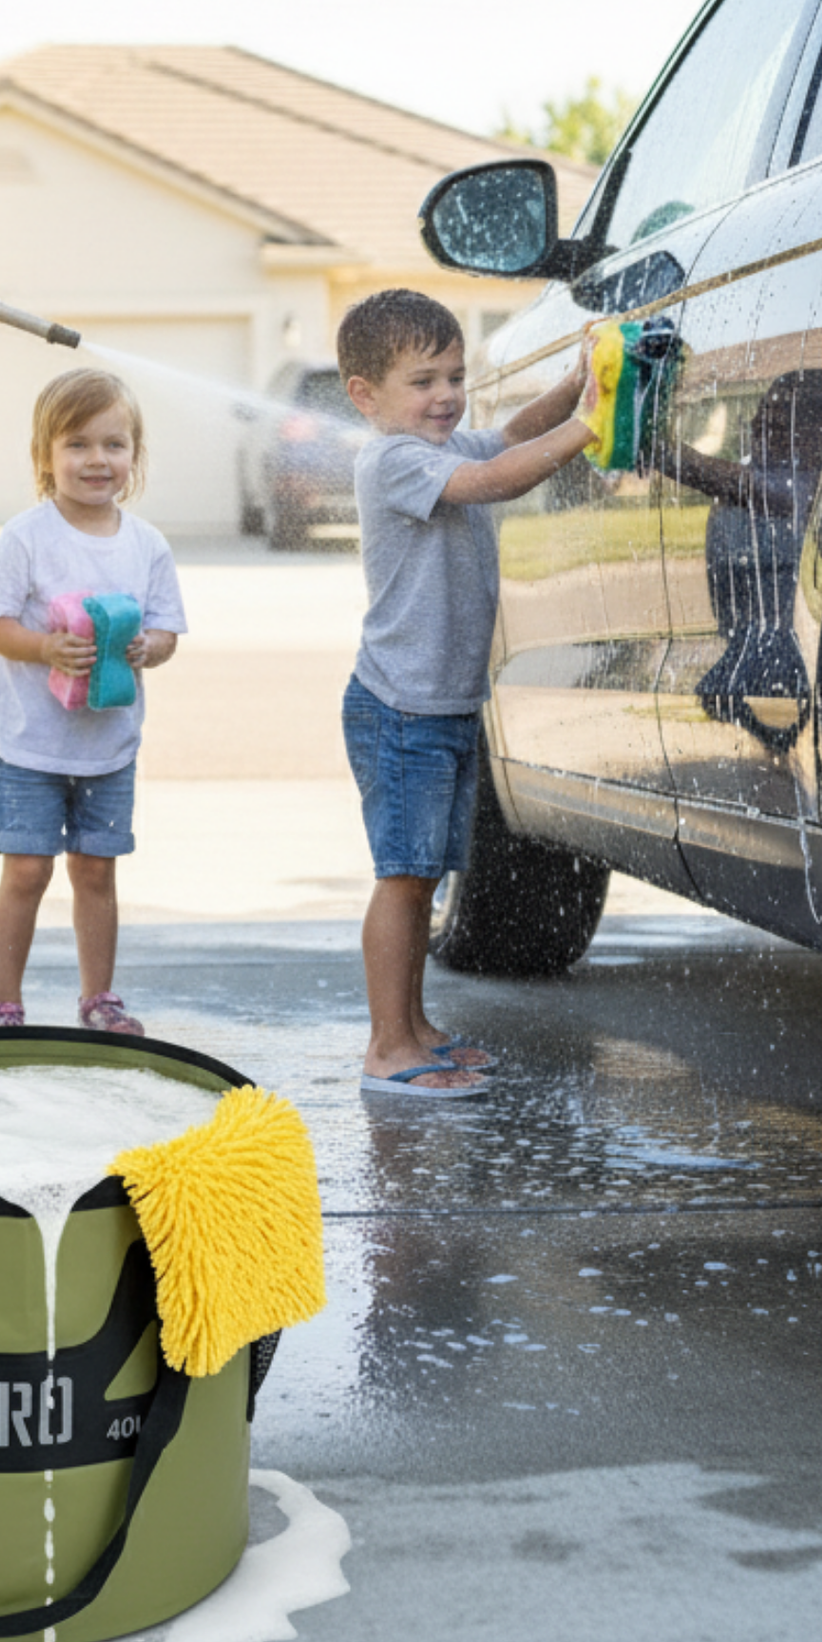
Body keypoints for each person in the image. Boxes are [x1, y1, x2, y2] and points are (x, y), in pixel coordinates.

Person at [338, 290, 594, 1097]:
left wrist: (581, 383)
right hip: (401, 710)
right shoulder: (394, 460)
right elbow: (495, 477)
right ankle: (388, 1046)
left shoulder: (437, 443)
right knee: (404, 877)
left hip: (442, 707)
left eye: (453, 376)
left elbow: (512, 434)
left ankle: (416, 1029)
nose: (445, 395)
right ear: (365, 395)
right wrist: (589, 426)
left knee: (427, 881)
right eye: (422, 381)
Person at [0, 366, 188, 1036]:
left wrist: (148, 648)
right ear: (45, 456)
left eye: (114, 445)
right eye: (77, 444)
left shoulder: (146, 545)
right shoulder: (26, 537)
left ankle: (100, 999)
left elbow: (166, 630)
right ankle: (4, 1004)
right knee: (28, 870)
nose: (98, 459)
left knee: (96, 872)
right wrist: (44, 649)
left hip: (108, 745)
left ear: (135, 456)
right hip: (31, 741)